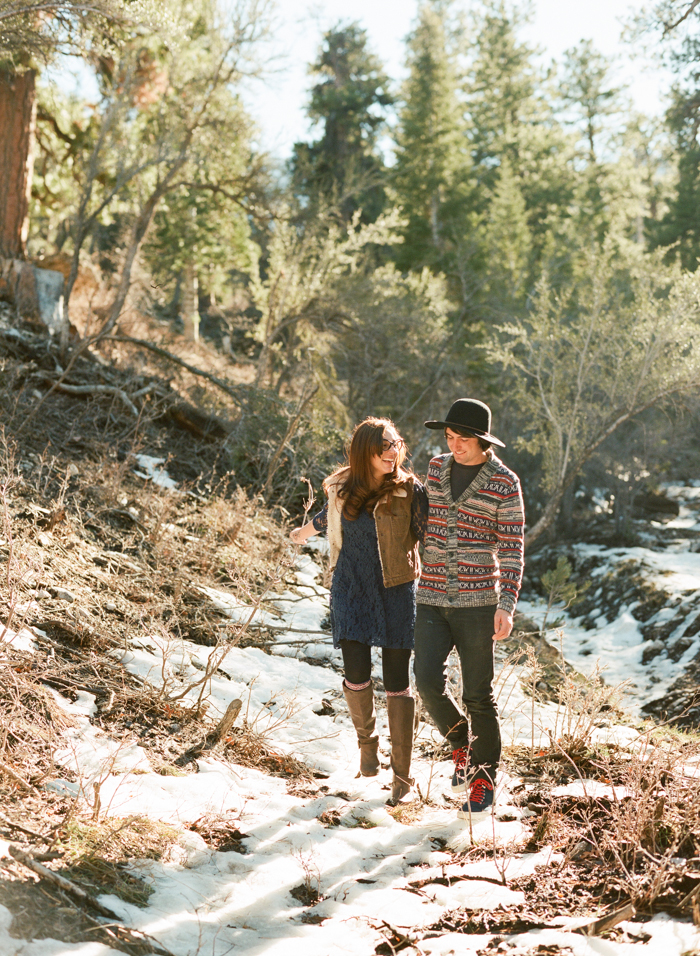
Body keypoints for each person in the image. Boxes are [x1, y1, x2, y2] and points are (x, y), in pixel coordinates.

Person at [290, 417, 427, 805]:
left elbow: (429, 536)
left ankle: (402, 774)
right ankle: (367, 745)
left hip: (396, 590)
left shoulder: (409, 490)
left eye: (396, 444)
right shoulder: (343, 487)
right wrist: (303, 533)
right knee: (355, 672)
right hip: (350, 587)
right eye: (383, 445)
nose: (392, 452)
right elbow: (329, 517)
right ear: (364, 449)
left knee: (397, 680)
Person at [413, 399, 524, 819]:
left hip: (480, 604)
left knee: (478, 695)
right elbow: (423, 523)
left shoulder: (503, 481)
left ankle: (483, 778)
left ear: (481, 440)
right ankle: (462, 744)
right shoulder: (436, 469)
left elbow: (512, 549)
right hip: (431, 596)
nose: (454, 445)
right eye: (449, 437)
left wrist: (507, 605)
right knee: (425, 682)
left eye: (462, 438)